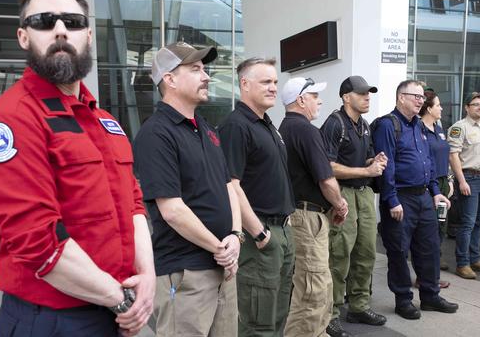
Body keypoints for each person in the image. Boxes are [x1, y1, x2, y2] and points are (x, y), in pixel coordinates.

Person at [0, 0, 155, 336]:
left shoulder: (105, 121)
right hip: (53, 320)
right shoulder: (8, 119)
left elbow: (133, 202)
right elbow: (37, 241)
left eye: (73, 22)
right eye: (44, 21)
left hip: (115, 308)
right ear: (24, 37)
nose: (60, 30)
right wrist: (121, 300)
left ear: (88, 35)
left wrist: (148, 277)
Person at [133, 41, 241, 336]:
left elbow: (227, 186)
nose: (206, 76)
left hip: (222, 267)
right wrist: (221, 248)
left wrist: (235, 236)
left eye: (204, 69)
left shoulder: (206, 128)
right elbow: (173, 211)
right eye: (195, 69)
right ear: (169, 79)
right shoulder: (155, 134)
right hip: (186, 274)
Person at [218, 57, 296, 337]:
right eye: (266, 82)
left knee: (277, 317)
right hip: (259, 236)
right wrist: (260, 234)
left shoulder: (267, 125)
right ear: (244, 84)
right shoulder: (236, 126)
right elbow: (231, 186)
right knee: (257, 323)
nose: (273, 87)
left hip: (282, 231)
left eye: (275, 82)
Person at [372, 80, 458, 321]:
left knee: (429, 249)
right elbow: (386, 165)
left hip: (423, 196)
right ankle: (403, 300)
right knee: (399, 251)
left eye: (423, 97)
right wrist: (391, 200)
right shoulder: (388, 125)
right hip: (401, 198)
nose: (421, 101)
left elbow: (428, 162)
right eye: (416, 96)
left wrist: (435, 191)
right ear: (401, 97)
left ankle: (430, 296)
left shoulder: (419, 126)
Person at [278, 76, 349, 337]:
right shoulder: (306, 130)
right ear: (300, 100)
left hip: (299, 215)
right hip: (307, 217)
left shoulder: (284, 128)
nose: (319, 100)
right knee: (312, 288)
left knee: (313, 284)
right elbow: (326, 178)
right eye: (314, 96)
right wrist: (340, 204)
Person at [320, 76, 388, 337]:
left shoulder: (365, 126)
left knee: (366, 252)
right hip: (343, 193)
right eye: (361, 93)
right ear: (346, 97)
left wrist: (375, 160)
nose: (367, 97)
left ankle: (359, 305)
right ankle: (332, 312)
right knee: (339, 255)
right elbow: (328, 166)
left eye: (368, 93)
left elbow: (367, 156)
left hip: (365, 193)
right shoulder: (334, 124)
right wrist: (365, 168)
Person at [447, 92, 480, 280]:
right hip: (469, 179)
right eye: (475, 104)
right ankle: (463, 263)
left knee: (479, 222)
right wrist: (462, 181)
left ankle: (475, 259)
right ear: (467, 107)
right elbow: (453, 156)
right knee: (467, 223)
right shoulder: (459, 128)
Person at [418, 87, 453, 287]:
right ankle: (425, 276)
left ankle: (433, 271)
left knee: (440, 227)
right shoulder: (419, 129)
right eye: (438, 105)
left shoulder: (438, 129)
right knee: (427, 231)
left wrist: (449, 180)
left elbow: (444, 157)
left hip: (442, 183)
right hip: (429, 186)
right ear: (429, 108)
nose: (441, 108)